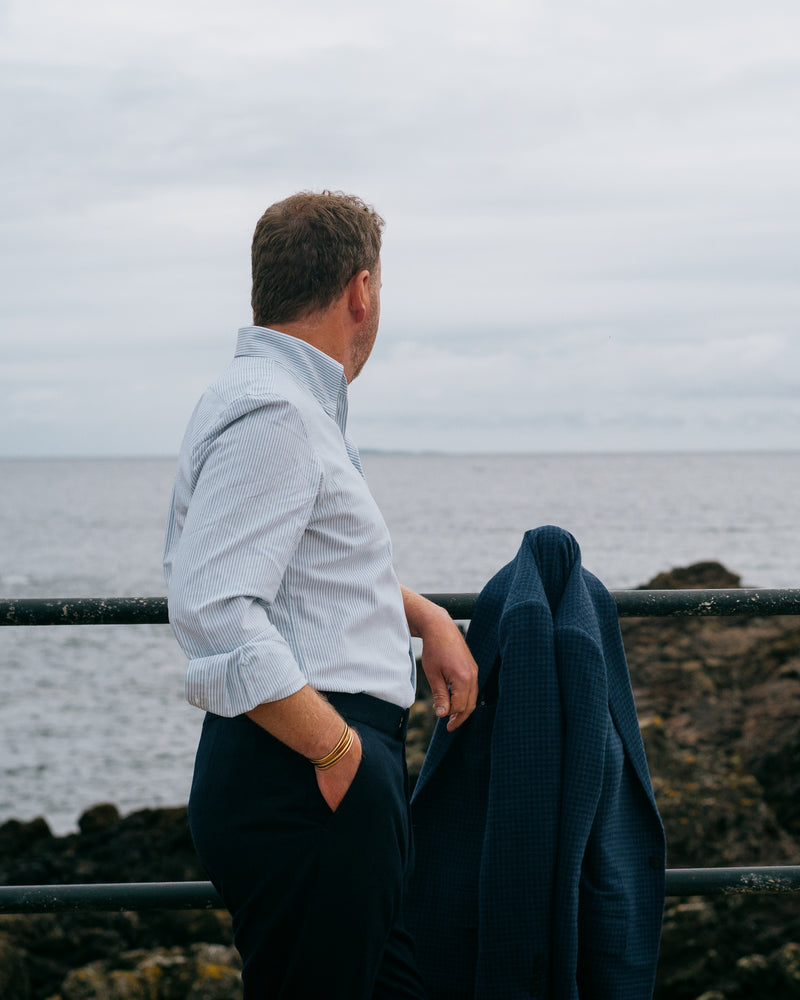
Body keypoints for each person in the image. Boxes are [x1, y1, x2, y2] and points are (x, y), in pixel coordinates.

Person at [163, 190, 478, 999]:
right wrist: (340, 755)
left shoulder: (287, 403)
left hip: (316, 770)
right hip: (307, 772)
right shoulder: (277, 411)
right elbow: (217, 607)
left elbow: (311, 569)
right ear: (360, 291)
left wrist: (426, 615)